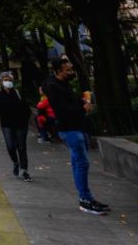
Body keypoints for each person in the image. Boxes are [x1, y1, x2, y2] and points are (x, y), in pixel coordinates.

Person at [42, 56, 110, 215]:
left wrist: (83, 102)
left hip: (77, 127)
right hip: (70, 129)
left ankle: (86, 197)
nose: (71, 72)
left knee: (78, 162)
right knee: (82, 163)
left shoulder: (61, 84)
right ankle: (85, 199)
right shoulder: (54, 86)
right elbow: (63, 110)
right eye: (68, 70)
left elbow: (70, 101)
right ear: (59, 70)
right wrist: (83, 109)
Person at [0, 71, 32, 181]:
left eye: (9, 80)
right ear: (1, 82)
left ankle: (24, 171)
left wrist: (25, 120)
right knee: (10, 146)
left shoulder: (17, 92)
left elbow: (27, 108)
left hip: (21, 124)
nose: (8, 82)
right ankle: (15, 162)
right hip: (6, 125)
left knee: (22, 147)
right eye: (5, 80)